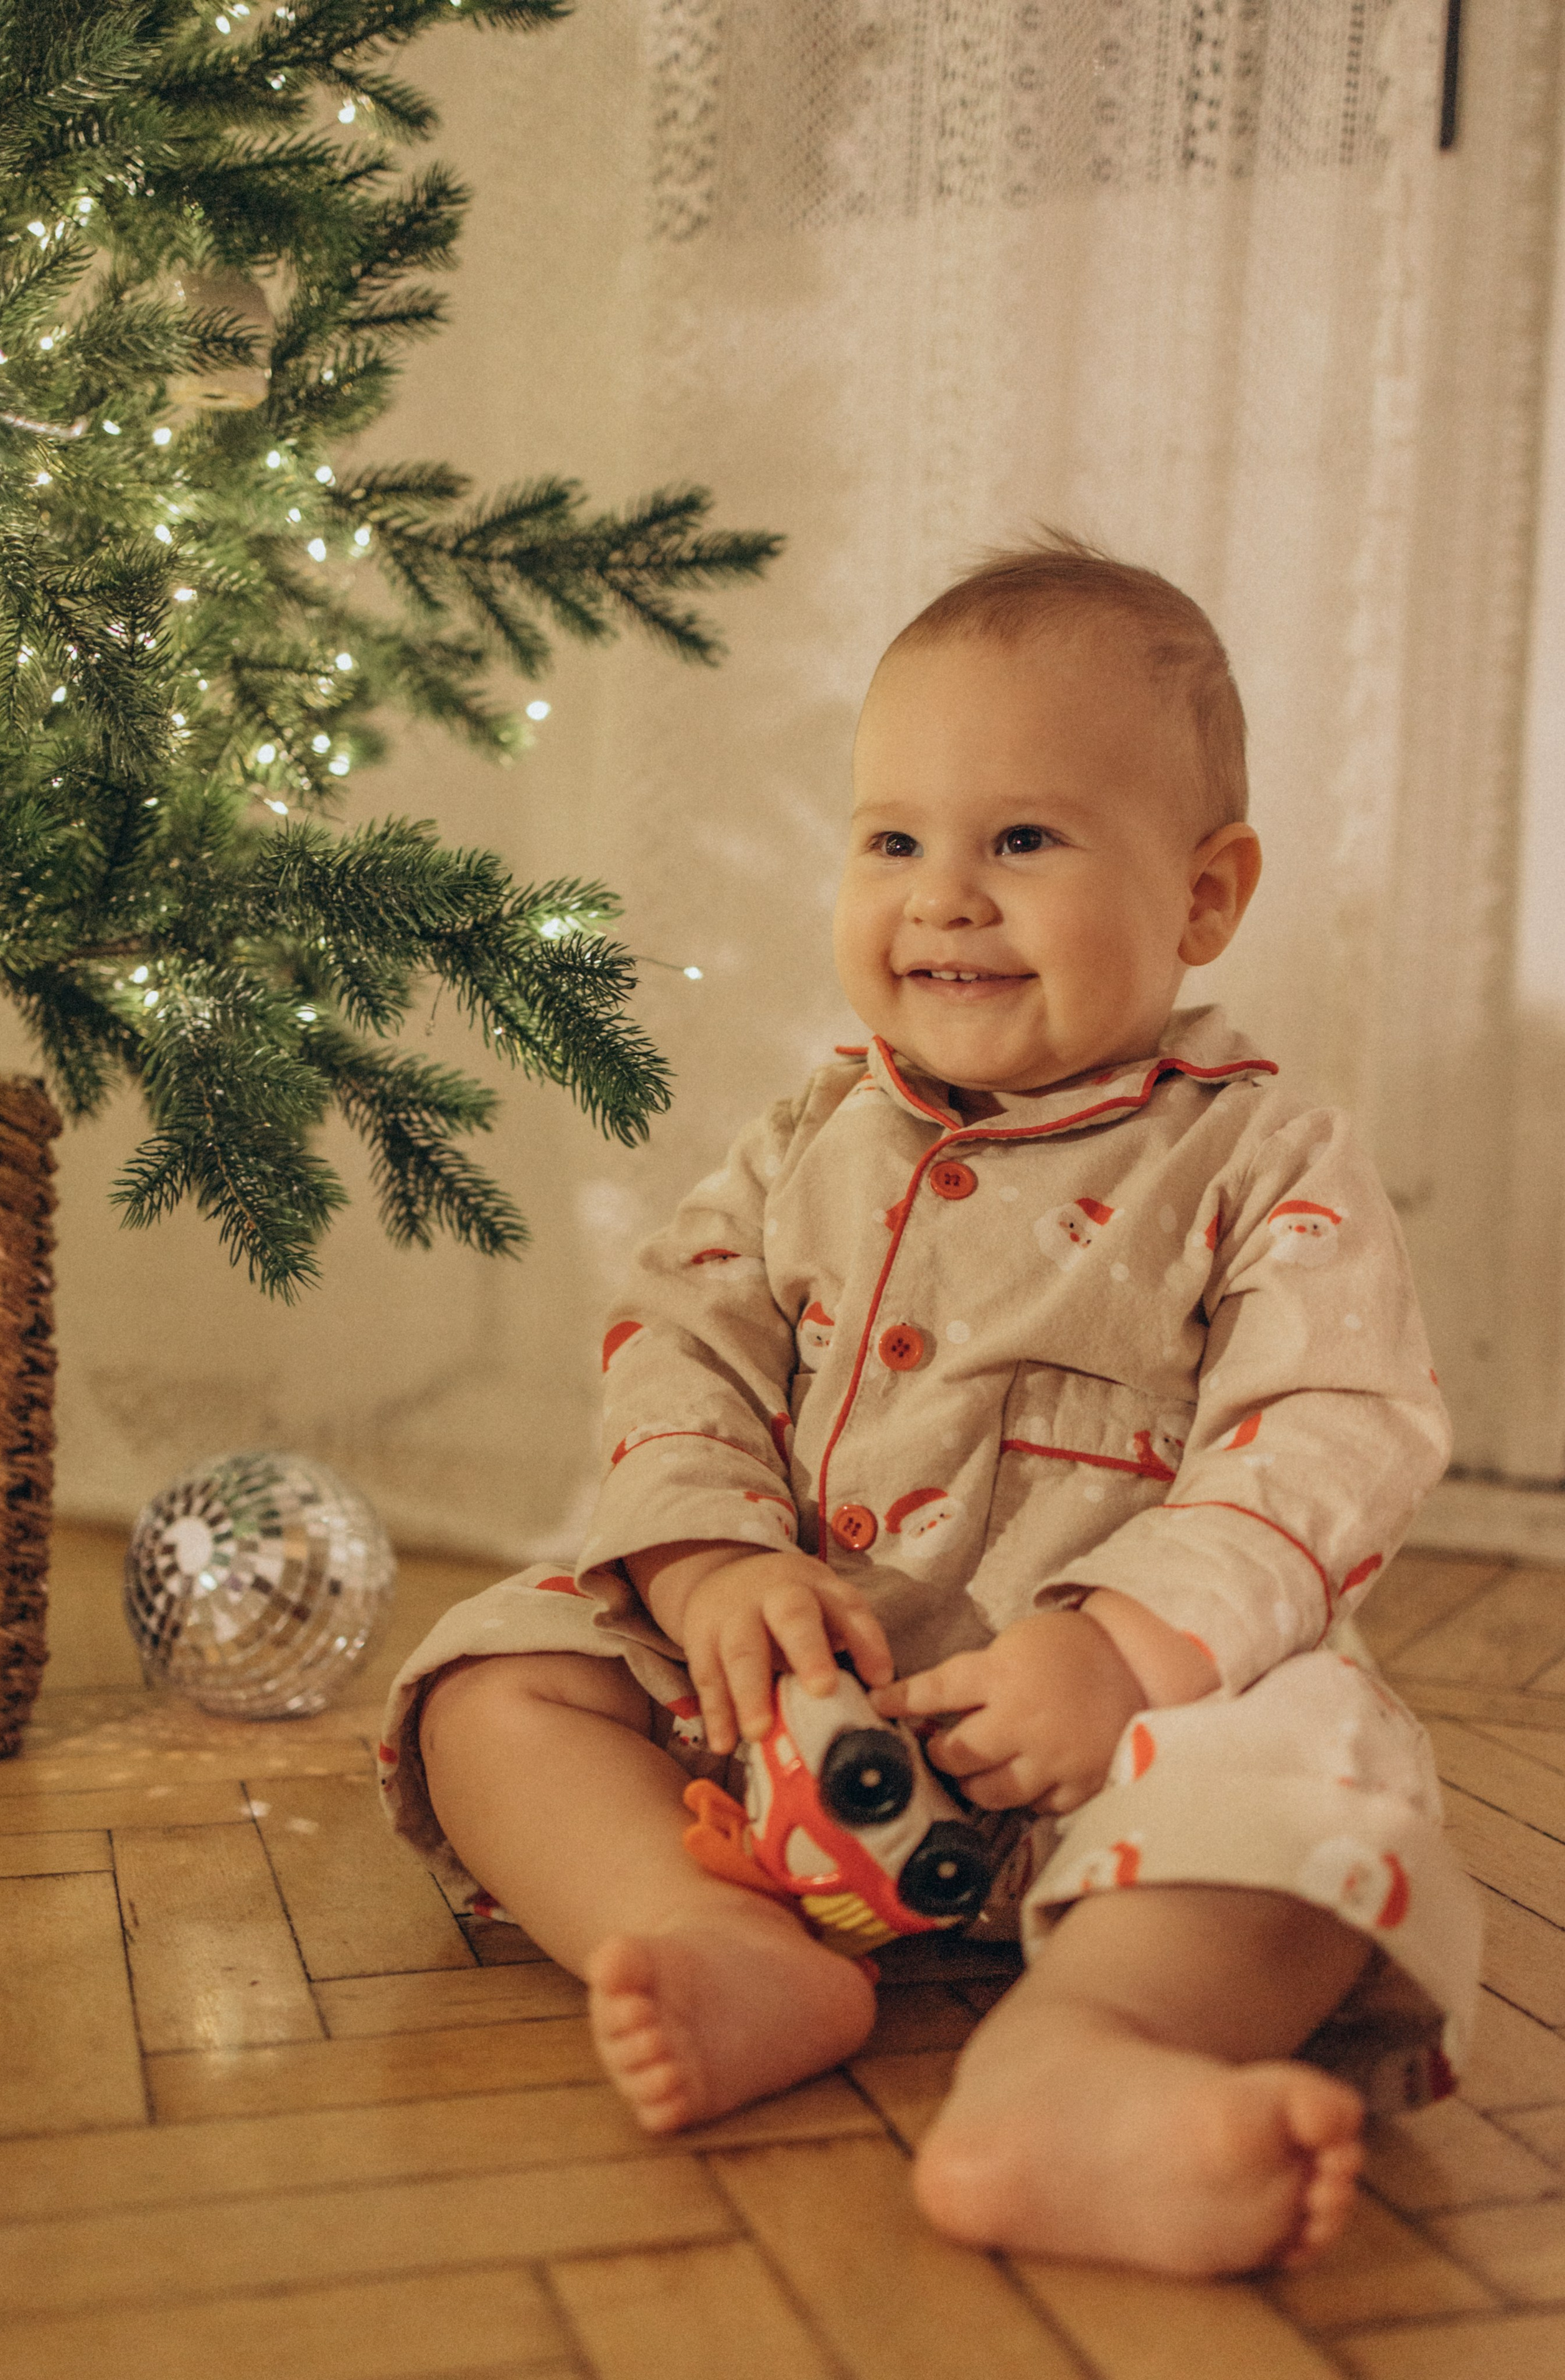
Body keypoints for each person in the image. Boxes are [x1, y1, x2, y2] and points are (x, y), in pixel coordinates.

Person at [380, 536, 1480, 2278]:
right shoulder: (808, 1137)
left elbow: (1336, 1424)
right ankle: (711, 1937)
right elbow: (680, 1346)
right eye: (894, 840)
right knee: (492, 1682)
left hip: (1130, 1738)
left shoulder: (1261, 1155)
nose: (942, 896)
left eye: (1021, 840)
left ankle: (1081, 2064)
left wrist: (1124, 1651)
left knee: (1316, 1803)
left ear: (1203, 898)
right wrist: (712, 1569)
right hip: (790, 1726)